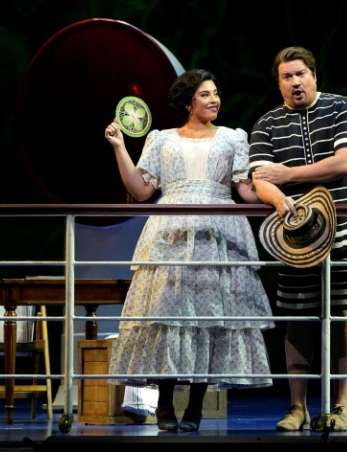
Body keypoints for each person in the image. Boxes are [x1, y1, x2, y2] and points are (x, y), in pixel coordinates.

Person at [104, 68, 275, 432]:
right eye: (205, 94)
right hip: (172, 231)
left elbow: (244, 190)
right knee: (169, 317)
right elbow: (142, 190)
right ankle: (165, 405)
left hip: (219, 232)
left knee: (209, 320)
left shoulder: (233, 138)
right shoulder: (161, 139)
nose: (214, 100)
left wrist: (274, 191)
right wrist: (120, 147)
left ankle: (195, 409)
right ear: (188, 102)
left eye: (216, 93)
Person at [249, 46, 347, 432]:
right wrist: (278, 198)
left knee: (344, 311)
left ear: (313, 75)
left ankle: (340, 408)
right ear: (278, 82)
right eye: (286, 77)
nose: (294, 82)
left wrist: (287, 176)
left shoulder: (343, 106)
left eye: (300, 74)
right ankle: (297, 407)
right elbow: (260, 179)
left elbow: (346, 162)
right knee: (298, 314)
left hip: (346, 226)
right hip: (295, 234)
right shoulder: (267, 124)